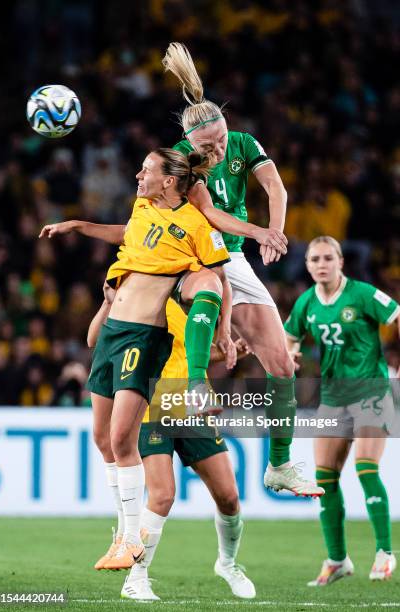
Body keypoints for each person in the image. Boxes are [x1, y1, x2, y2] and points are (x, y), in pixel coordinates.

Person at [40, 147, 233, 569]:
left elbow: (219, 279)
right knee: (103, 439)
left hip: (144, 336)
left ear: (169, 180)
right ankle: (123, 535)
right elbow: (127, 233)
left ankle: (130, 539)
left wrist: (225, 330)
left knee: (124, 438)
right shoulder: (143, 207)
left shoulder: (196, 225)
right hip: (113, 332)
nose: (138, 175)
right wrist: (78, 225)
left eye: (146, 170)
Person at [161, 42, 323, 496]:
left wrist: (276, 231)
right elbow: (210, 215)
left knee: (282, 366)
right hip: (191, 255)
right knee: (205, 327)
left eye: (219, 138)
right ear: (189, 144)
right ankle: (191, 392)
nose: (215, 148)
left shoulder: (244, 142)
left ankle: (280, 465)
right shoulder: (180, 157)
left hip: (232, 258)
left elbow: (277, 188)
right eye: (205, 145)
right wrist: (259, 234)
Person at [88, 284, 256, 601]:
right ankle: (136, 578)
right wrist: (106, 304)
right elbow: (97, 341)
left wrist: (231, 350)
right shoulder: (139, 298)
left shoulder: (189, 305)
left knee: (229, 497)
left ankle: (228, 563)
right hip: (151, 408)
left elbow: (192, 354)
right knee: (163, 496)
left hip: (193, 408)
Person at [284, 236, 399, 586]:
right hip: (333, 397)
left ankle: (384, 552)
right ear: (307, 266)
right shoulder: (306, 303)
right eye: (315, 259)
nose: (321, 264)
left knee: (366, 467)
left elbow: (397, 316)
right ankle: (337, 560)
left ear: (340, 262)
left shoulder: (362, 294)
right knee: (324, 479)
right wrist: (291, 354)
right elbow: (290, 338)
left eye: (328, 258)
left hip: (372, 391)